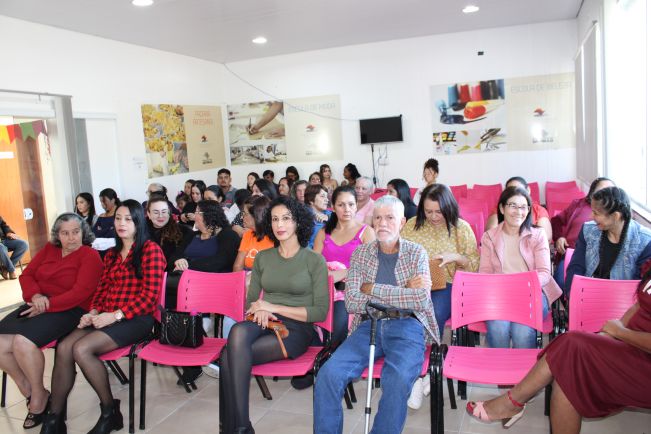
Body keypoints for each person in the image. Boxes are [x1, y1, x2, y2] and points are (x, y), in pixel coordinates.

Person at [467, 258, 651, 434]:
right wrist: (613, 333)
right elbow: (641, 305)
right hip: (628, 347)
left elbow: (544, 273)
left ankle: (512, 402)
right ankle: (512, 403)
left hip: (643, 362)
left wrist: (620, 332)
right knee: (566, 372)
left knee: (570, 345)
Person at [313, 195, 438, 434]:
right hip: (368, 325)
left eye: (390, 218)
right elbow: (353, 302)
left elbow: (420, 300)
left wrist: (371, 288)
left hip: (407, 325)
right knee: (329, 373)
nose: (382, 223)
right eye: (378, 218)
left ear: (402, 222)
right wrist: (403, 290)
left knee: (397, 379)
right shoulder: (361, 254)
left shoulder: (416, 253)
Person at [40, 200, 166, 434]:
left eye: (128, 219)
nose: (121, 223)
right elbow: (101, 290)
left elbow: (149, 298)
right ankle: (54, 418)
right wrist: (93, 312)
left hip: (136, 320)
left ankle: (110, 412)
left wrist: (115, 316)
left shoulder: (151, 250)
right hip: (106, 316)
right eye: (118, 218)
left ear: (139, 222)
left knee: (81, 349)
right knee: (64, 346)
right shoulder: (111, 255)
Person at [219, 196, 328, 433]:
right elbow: (250, 302)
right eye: (275, 219)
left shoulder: (314, 260)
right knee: (237, 331)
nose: (280, 224)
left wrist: (272, 307)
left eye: (286, 218)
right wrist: (259, 309)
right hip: (263, 320)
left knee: (228, 356)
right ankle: (240, 426)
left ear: (298, 222)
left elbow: (320, 312)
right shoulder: (264, 257)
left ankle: (234, 428)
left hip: (295, 328)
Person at [0, 213, 103, 429]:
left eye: (76, 232)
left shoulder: (90, 255)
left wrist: (47, 304)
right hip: (40, 303)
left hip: (72, 310)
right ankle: (29, 390)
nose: (71, 238)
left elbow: (80, 293)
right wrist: (36, 296)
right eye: (65, 233)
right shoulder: (50, 249)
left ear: (83, 232)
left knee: (22, 342)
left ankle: (38, 398)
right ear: (57, 235)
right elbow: (27, 275)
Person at [400, 183, 479, 409]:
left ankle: (420, 373)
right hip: (416, 284)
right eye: (428, 211)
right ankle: (420, 371)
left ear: (448, 207)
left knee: (430, 311)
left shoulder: (461, 228)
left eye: (439, 211)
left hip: (449, 284)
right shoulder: (412, 225)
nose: (434, 217)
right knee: (402, 315)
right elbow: (400, 257)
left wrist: (455, 257)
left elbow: (474, 266)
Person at [479, 186, 562, 348]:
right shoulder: (489, 237)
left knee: (522, 331)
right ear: (502, 208)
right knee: (498, 328)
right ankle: (500, 363)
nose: (519, 212)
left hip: (532, 294)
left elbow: (545, 273)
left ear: (529, 210)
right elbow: (485, 273)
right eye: (513, 206)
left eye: (523, 207)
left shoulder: (537, 235)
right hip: (500, 295)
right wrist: (502, 289)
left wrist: (521, 286)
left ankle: (525, 365)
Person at [313, 186, 375, 345]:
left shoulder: (366, 232)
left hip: (352, 292)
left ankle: (334, 354)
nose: (347, 209)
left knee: (338, 324)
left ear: (356, 206)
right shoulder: (324, 233)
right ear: (333, 207)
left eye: (351, 204)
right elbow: (313, 265)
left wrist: (345, 272)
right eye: (341, 205)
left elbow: (373, 268)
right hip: (323, 290)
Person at [565, 186, 651, 291]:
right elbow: (576, 268)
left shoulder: (645, 242)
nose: (590, 216)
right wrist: (574, 293)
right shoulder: (588, 230)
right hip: (588, 293)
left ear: (615, 216)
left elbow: (639, 286)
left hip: (623, 298)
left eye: (596, 213)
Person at [551, 177, 615, 289]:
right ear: (592, 193)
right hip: (572, 254)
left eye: (610, 191)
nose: (606, 195)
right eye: (602, 191)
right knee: (561, 282)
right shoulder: (578, 205)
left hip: (602, 260)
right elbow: (556, 221)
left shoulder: (615, 214)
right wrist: (559, 237)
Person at [485, 176, 552, 241]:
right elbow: (491, 235)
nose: (515, 194)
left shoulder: (539, 210)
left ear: (528, 190)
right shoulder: (501, 208)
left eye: (519, 190)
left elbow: (546, 238)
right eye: (511, 191)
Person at [233, 196, 273, 273]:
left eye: (245, 214)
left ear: (256, 216)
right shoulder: (248, 234)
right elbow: (237, 266)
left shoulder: (275, 238)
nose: (241, 217)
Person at [146, 196, 191, 262]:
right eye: (156, 212)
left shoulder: (183, 231)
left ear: (169, 212)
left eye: (164, 212)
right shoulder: (141, 231)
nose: (160, 216)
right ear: (148, 214)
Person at [92, 188, 120, 255]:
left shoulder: (119, 215)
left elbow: (114, 233)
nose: (102, 204)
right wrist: (109, 229)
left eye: (104, 201)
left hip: (115, 250)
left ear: (113, 200)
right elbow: (94, 233)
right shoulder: (101, 216)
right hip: (99, 249)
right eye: (101, 202)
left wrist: (102, 231)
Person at [0, 215, 29, 280]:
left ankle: (5, 269)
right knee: (1, 248)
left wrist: (8, 233)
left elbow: (4, 225)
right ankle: (11, 270)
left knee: (24, 244)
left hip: (4, 239)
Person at [304, 184, 332, 249]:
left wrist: (328, 217)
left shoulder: (328, 213)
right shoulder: (304, 217)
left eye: (327, 197)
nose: (327, 200)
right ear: (311, 200)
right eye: (322, 196)